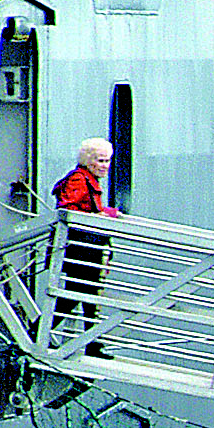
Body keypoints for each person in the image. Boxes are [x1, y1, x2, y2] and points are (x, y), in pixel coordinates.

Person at [51, 137, 122, 357]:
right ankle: (41, 331)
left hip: (86, 248)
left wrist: (106, 213)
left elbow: (84, 208)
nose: (105, 166)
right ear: (89, 161)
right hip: (82, 249)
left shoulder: (85, 179)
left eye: (107, 161)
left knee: (86, 294)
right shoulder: (79, 180)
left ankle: (90, 342)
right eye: (101, 161)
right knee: (79, 294)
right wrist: (102, 215)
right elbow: (69, 208)